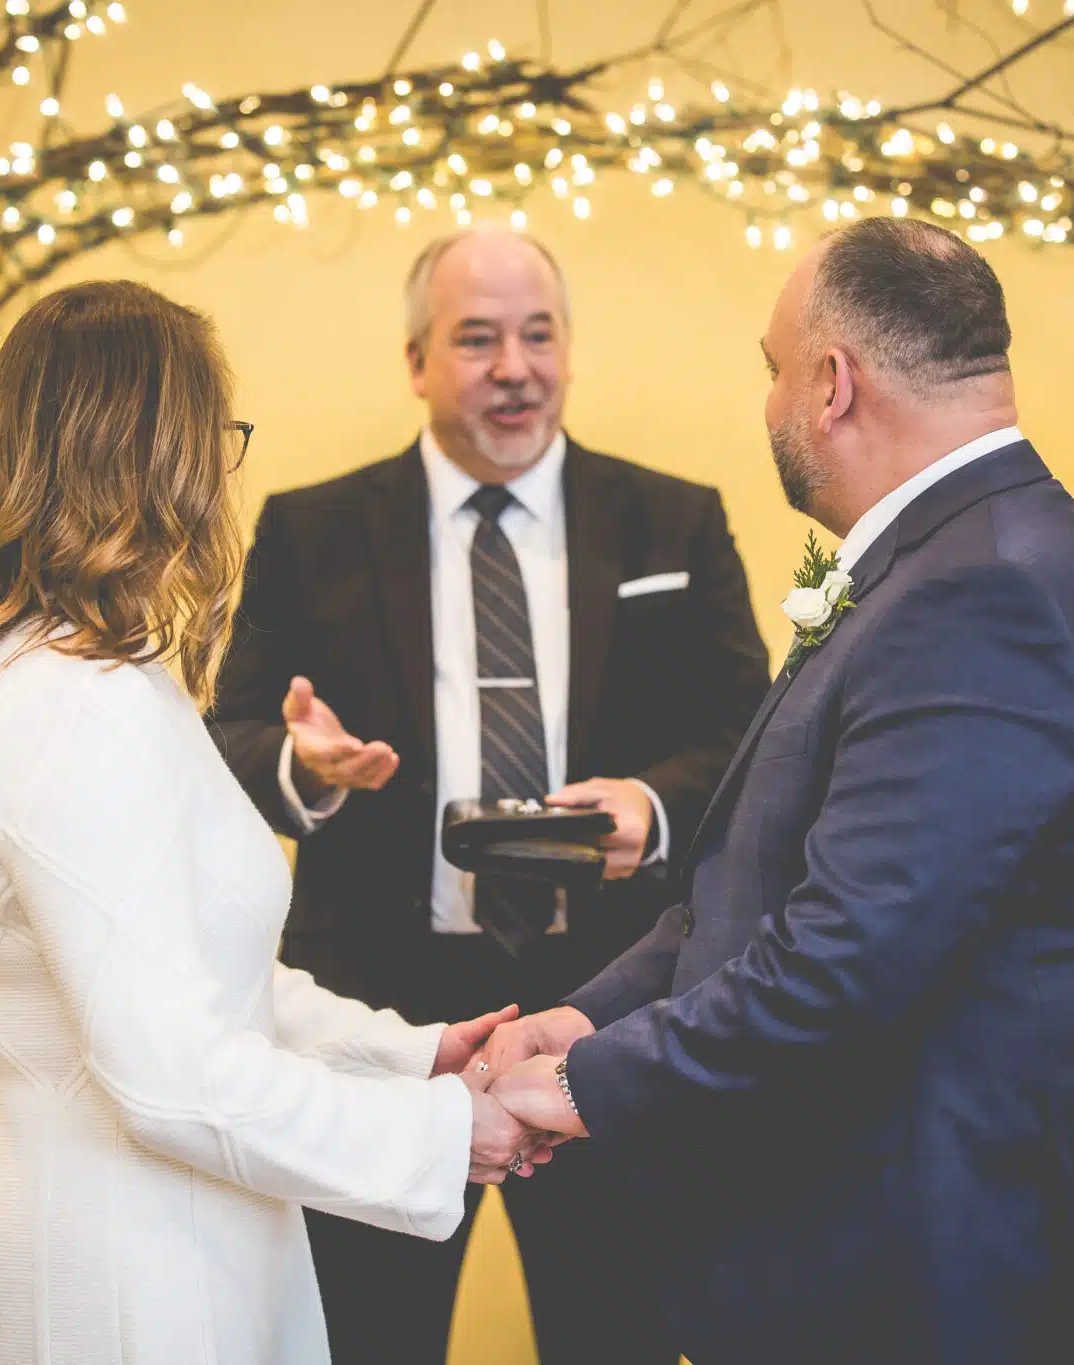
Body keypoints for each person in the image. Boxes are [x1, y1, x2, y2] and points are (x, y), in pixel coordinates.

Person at [487, 218, 1074, 1365]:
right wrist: (581, 1013)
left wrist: (581, 1082)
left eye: (770, 369)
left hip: (934, 1278)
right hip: (858, 1256)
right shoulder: (944, 562)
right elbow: (754, 881)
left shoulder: (981, 590)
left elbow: (845, 957)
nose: (767, 405)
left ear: (831, 384)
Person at [0, 280, 551, 1365]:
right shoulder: (66, 709)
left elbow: (209, 974)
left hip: (196, 1245)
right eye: (215, 434)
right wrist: (443, 1135)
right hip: (117, 1283)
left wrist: (413, 1058)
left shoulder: (113, 679)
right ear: (154, 453)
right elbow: (171, 1077)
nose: (222, 468)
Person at [211, 229, 769, 1365]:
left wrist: (652, 807)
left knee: (612, 1334)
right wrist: (300, 772)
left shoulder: (675, 520)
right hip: (383, 1028)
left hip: (609, 1012)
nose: (513, 366)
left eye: (537, 334)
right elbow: (230, 735)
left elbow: (747, 735)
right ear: (416, 360)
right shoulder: (309, 528)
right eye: (475, 340)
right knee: (367, 1338)